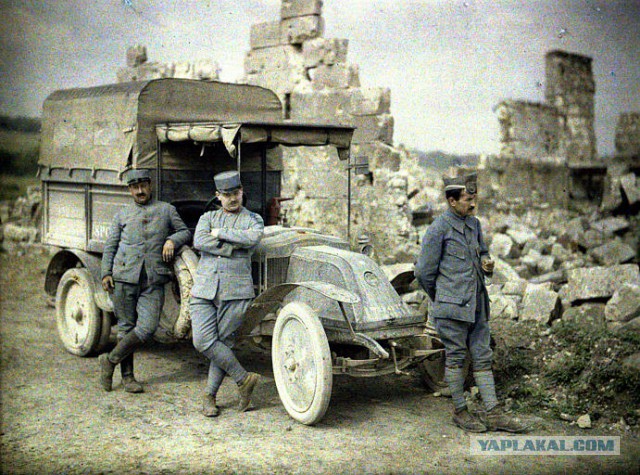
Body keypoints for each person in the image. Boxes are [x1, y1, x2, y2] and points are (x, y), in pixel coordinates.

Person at [415, 172, 528, 433]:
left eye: (474, 199)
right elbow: (423, 273)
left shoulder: (474, 225)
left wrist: (487, 264)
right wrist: (442, 297)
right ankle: (460, 411)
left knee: (482, 356)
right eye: (468, 199)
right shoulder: (438, 229)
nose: (473, 204)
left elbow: (483, 252)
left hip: (477, 304)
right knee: (454, 357)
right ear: (452, 201)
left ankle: (494, 413)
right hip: (451, 307)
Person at [99, 169, 191, 393]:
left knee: (148, 328)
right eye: (134, 187)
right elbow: (111, 245)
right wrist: (105, 273)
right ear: (130, 190)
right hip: (124, 277)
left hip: (154, 278)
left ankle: (110, 360)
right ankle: (128, 377)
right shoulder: (122, 214)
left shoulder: (166, 210)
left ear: (150, 186)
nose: (140, 191)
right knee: (125, 327)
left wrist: (171, 240)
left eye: (143, 186)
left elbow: (185, 232)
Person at [190, 171, 264, 417]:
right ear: (217, 196)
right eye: (227, 195)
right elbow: (199, 241)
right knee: (202, 341)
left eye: (236, 193)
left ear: (242, 192)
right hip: (204, 288)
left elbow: (252, 238)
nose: (232, 199)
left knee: (223, 344)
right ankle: (243, 379)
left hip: (236, 291)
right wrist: (234, 247)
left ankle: (209, 397)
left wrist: (219, 234)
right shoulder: (207, 217)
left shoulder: (254, 219)